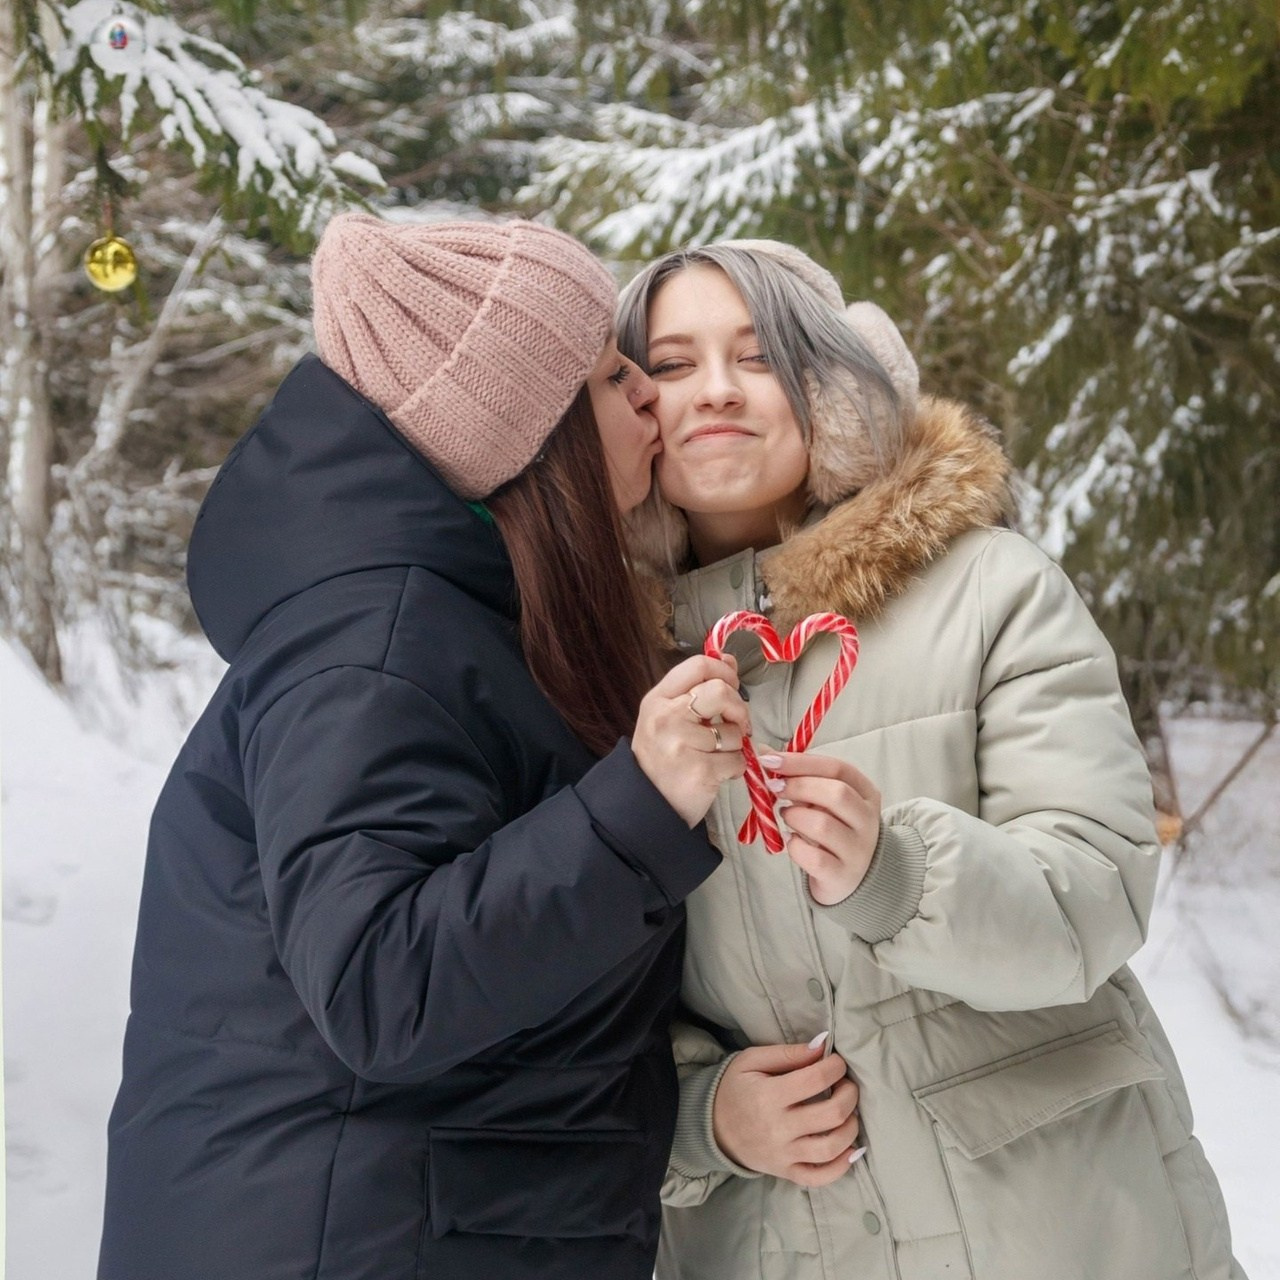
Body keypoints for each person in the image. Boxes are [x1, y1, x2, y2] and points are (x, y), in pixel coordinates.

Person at [97, 214, 753, 1280]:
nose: (648, 393)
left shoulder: (447, 615)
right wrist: (637, 803)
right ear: (527, 437)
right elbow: (375, 982)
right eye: (604, 376)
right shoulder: (374, 647)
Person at [615, 240, 1244, 1280]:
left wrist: (896, 875)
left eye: (756, 355)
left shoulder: (989, 591)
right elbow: (569, 1004)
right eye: (671, 366)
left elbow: (1096, 895)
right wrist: (703, 1115)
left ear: (828, 386)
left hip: (1060, 1224)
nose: (714, 392)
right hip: (779, 1241)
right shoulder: (599, 672)